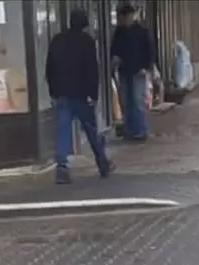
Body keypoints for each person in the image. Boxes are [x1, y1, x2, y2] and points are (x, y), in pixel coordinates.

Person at [45, 9, 113, 185]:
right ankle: (102, 162)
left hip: (62, 93)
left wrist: (53, 91)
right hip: (81, 94)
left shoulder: (57, 40)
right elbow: (92, 69)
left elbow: (49, 68)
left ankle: (62, 167)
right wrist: (94, 94)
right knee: (91, 129)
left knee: (63, 131)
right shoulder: (87, 41)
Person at [110, 3, 155, 141]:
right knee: (126, 101)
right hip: (124, 71)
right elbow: (114, 49)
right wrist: (115, 59)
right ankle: (130, 129)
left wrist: (146, 67)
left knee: (137, 100)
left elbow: (150, 51)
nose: (122, 20)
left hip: (138, 71)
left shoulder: (141, 31)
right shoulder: (119, 32)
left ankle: (141, 130)